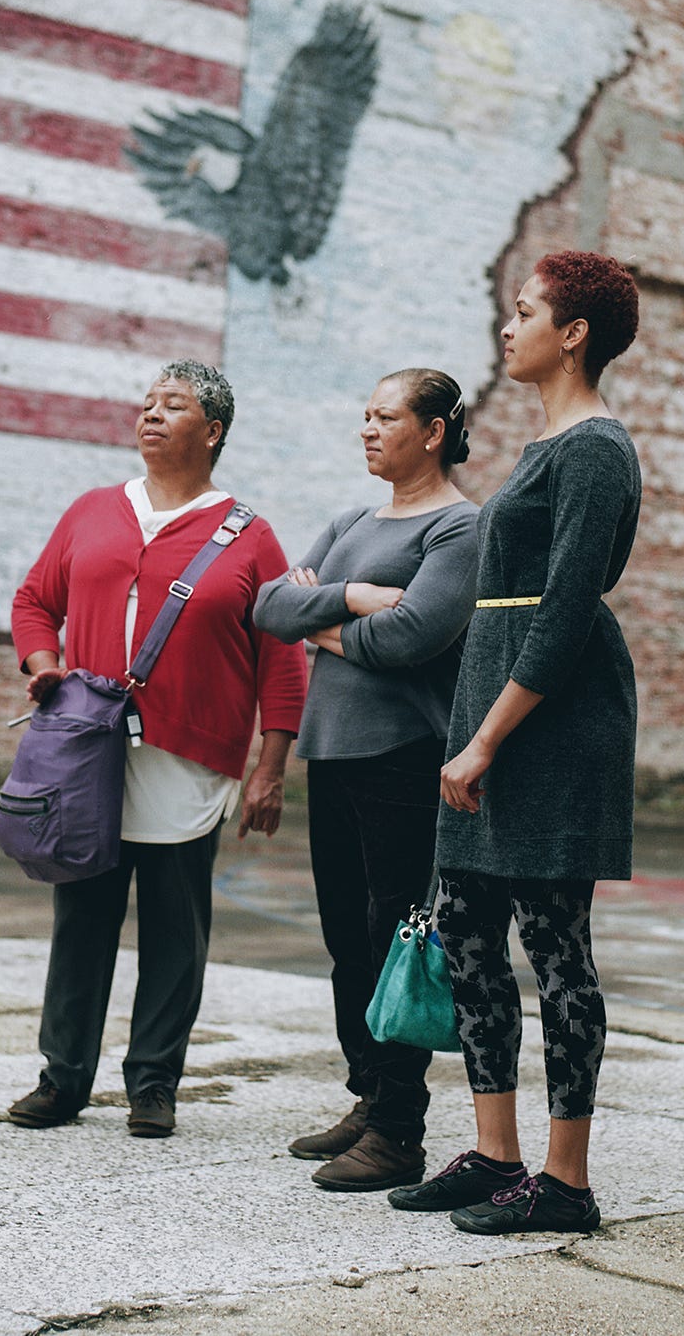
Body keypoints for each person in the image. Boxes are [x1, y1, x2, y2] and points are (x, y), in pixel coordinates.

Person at [389, 251, 643, 1236]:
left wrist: (486, 737)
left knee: (553, 942)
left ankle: (564, 1180)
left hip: (555, 724)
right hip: (495, 712)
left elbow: (566, 611)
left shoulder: (595, 449)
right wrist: (475, 728)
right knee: (464, 927)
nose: (508, 323)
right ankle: (495, 1153)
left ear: (572, 334)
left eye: (526, 309)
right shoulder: (546, 442)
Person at [6, 360, 306, 1141]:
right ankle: (62, 1078)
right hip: (87, 756)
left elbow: (281, 657)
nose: (151, 413)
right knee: (82, 921)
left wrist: (270, 767)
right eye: (146, 402)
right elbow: (34, 600)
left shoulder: (249, 536)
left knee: (176, 929)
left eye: (172, 405)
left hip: (191, 762)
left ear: (212, 431)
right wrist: (45, 664)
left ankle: (154, 1083)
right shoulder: (93, 511)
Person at [253, 369, 481, 1194]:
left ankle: (398, 1130)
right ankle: (369, 1094)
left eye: (386, 417)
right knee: (347, 937)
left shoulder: (460, 528)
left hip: (404, 756)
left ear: (433, 431)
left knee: (395, 939)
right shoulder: (351, 522)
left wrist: (322, 622)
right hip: (335, 753)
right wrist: (352, 595)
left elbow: (412, 636)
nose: (368, 429)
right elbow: (269, 608)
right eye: (365, 415)